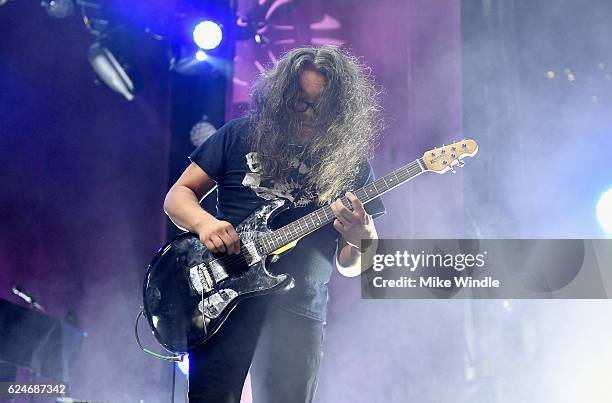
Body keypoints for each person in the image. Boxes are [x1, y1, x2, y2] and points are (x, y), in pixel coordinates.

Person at [163, 45, 386, 403]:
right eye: (300, 101)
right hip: (225, 299)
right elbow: (177, 197)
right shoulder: (239, 135)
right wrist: (205, 224)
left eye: (320, 105)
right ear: (282, 96)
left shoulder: (351, 165)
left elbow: (353, 264)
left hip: (298, 309)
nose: (308, 114)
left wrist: (364, 235)